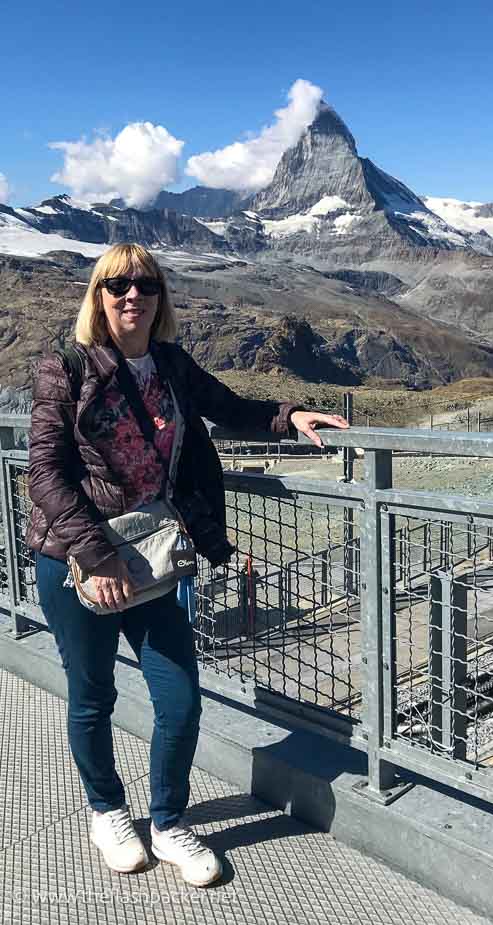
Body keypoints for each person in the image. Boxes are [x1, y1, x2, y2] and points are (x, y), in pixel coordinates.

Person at [26, 242, 349, 886]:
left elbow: (230, 407)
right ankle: (108, 811)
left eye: (144, 284)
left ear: (159, 297)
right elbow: (45, 471)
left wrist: (290, 417)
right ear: (98, 295)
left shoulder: (171, 363)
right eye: (116, 284)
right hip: (75, 561)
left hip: (151, 556)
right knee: (92, 695)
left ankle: (169, 822)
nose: (131, 295)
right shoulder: (64, 367)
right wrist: (96, 556)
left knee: (180, 699)